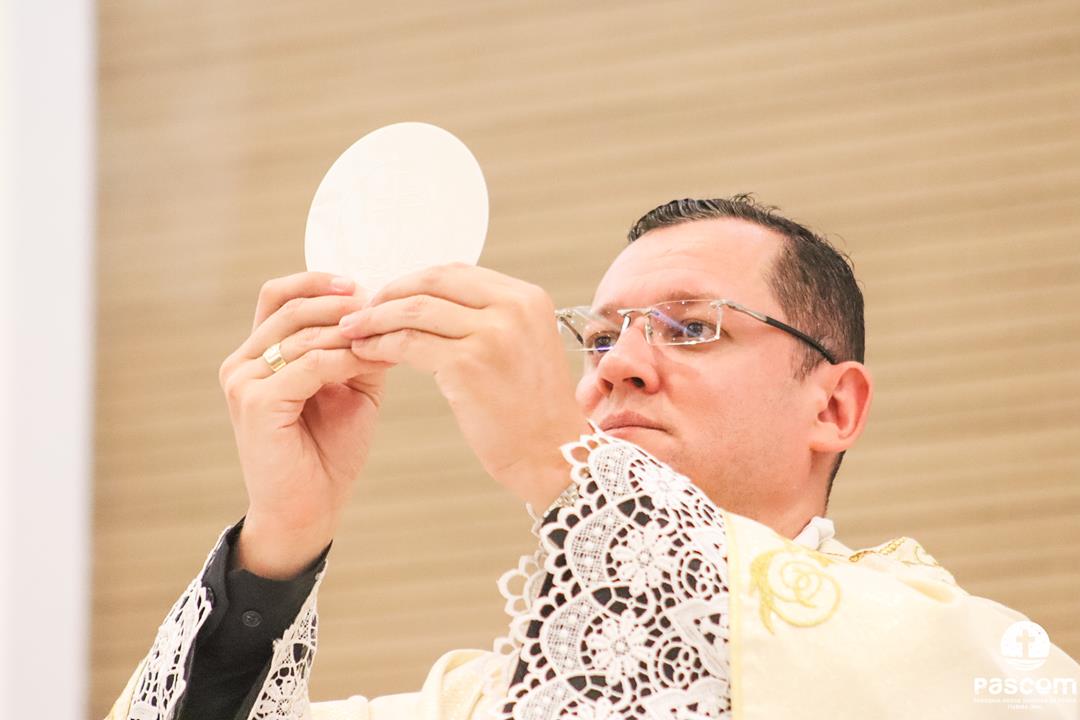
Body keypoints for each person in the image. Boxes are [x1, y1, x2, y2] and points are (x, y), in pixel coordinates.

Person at [106, 196, 1080, 720]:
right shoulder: (481, 700)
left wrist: (558, 461)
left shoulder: (967, 655)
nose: (618, 367)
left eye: (691, 327)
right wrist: (280, 543)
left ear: (834, 404)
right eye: (600, 338)